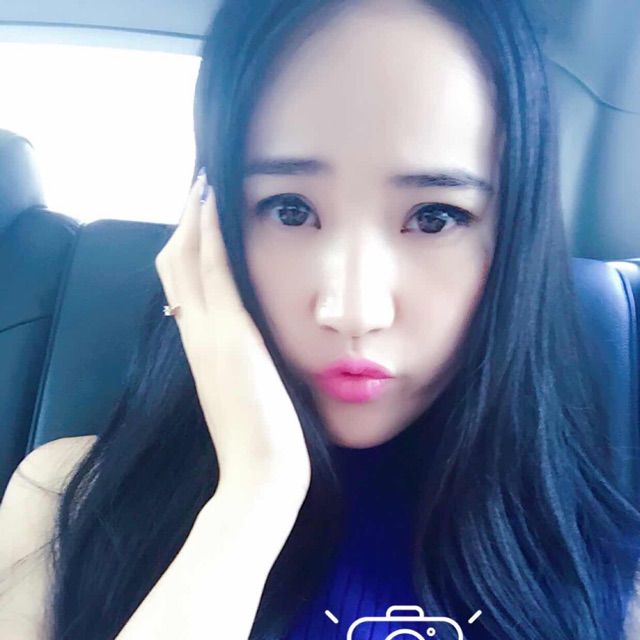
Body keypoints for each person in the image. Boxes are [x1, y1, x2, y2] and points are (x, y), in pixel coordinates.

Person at [1, 0, 639, 638]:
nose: (353, 311)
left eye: (434, 217)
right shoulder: (61, 500)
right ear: (207, 228)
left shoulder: (610, 566)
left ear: (516, 242)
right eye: (289, 209)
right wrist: (253, 495)